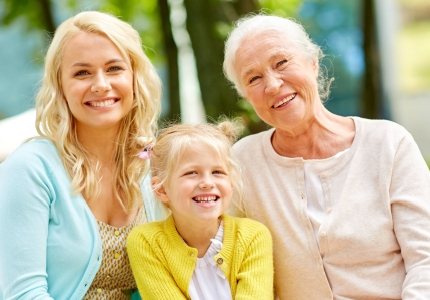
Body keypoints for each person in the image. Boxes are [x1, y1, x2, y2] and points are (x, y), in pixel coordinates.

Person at [222, 13, 430, 299]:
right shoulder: (242, 162)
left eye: (281, 63)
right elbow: (226, 263)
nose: (272, 85)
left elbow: (426, 260)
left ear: (313, 62)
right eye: (254, 78)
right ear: (245, 94)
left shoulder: (388, 144)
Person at [0, 11, 168, 299]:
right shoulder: (29, 168)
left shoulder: (155, 165)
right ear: (61, 87)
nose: (101, 84)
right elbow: (23, 293)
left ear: (135, 77)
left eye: (114, 68)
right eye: (82, 72)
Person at [126, 121, 274, 299]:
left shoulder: (253, 236)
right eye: (191, 173)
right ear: (162, 189)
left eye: (218, 172)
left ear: (231, 183)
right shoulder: (146, 241)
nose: (207, 183)